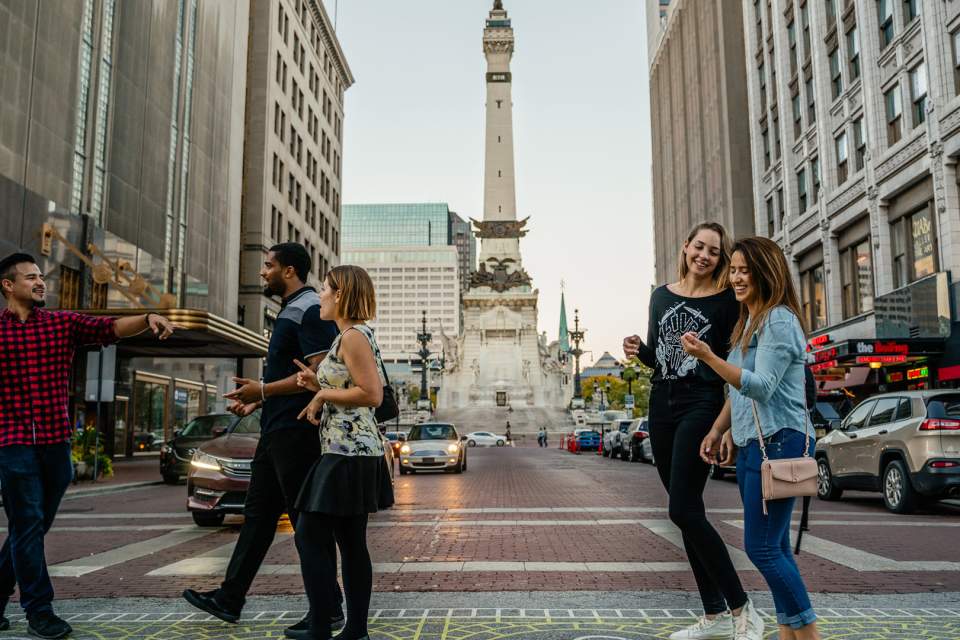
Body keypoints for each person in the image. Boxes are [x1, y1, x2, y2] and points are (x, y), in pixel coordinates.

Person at [0, 252, 175, 639]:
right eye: (30, 278)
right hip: (12, 443)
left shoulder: (62, 325)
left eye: (41, 276)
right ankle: (39, 611)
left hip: (55, 441)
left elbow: (111, 328)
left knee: (29, 528)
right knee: (27, 524)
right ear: (8, 286)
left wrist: (147, 319)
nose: (40, 282)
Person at [182, 243, 344, 639]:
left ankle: (328, 611)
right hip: (275, 434)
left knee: (307, 525)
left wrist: (265, 391)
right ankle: (229, 598)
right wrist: (256, 402)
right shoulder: (291, 309)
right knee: (257, 519)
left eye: (268, 266)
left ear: (288, 271)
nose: (262, 272)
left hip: (297, 436)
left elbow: (321, 373)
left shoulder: (309, 309)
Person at [623, 222, 758, 640]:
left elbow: (728, 363)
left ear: (720, 259)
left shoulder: (725, 302)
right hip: (661, 405)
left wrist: (726, 426)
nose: (705, 255)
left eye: (714, 251)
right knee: (688, 513)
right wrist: (638, 351)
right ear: (685, 248)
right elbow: (660, 358)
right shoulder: (660, 296)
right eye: (699, 246)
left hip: (701, 403)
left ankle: (743, 609)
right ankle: (715, 616)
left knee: (682, 510)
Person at [683, 236, 820, 640]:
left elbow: (760, 386)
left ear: (766, 272)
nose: (736, 278)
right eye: (734, 270)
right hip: (753, 445)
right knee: (773, 547)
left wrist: (709, 357)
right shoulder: (749, 321)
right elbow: (738, 391)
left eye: (744, 270)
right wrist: (719, 428)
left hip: (779, 442)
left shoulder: (778, 319)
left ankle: (808, 634)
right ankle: (789, 634)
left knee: (761, 548)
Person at [293, 265, 394, 640]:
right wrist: (314, 383)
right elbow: (352, 389)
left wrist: (321, 392)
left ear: (342, 295)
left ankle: (323, 626)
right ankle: (354, 631)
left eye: (325, 289)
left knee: (309, 536)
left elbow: (371, 394)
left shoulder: (352, 336)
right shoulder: (350, 337)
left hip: (348, 451)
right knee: (351, 543)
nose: (320, 295)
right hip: (350, 449)